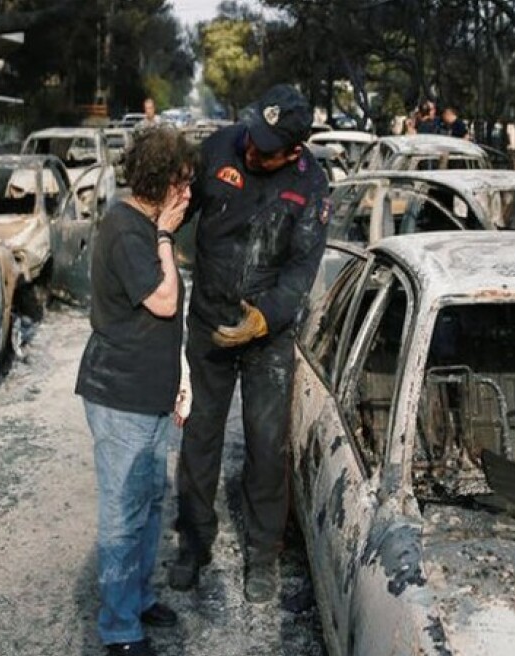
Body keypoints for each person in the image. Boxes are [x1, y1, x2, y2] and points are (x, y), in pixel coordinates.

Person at [170, 84, 330, 604]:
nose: (252, 150)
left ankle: (262, 555)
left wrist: (265, 319)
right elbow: (178, 209)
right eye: (253, 137)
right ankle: (194, 544)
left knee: (266, 445)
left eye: (267, 148)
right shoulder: (220, 147)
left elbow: (302, 268)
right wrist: (155, 235)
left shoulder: (311, 184)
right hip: (209, 323)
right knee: (199, 437)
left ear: (295, 149)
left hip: (267, 338)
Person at [76, 126, 196, 656]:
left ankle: (138, 598)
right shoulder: (129, 230)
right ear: (157, 182)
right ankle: (120, 629)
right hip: (120, 394)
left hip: (150, 392)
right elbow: (164, 302)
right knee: (123, 514)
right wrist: (166, 236)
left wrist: (179, 378)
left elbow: (167, 324)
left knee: (149, 503)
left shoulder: (145, 224)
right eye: (181, 183)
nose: (188, 193)